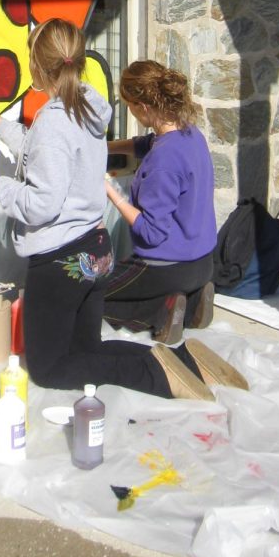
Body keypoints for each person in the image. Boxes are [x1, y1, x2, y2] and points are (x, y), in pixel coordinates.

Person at [0, 18, 214, 401]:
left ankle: (158, 376)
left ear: (39, 67)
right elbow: (39, 150)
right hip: (95, 249)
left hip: (61, 261)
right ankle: (186, 362)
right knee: (84, 353)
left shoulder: (55, 122)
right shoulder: (87, 106)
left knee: (49, 369)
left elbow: (42, 203)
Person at [103, 60, 217, 347]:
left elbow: (152, 232)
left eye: (128, 104)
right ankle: (190, 303)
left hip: (167, 266)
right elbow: (147, 144)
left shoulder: (163, 161)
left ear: (142, 106)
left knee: (92, 294)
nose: (129, 109)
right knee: (133, 287)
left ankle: (162, 313)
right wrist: (107, 146)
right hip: (202, 263)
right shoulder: (190, 134)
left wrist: (110, 192)